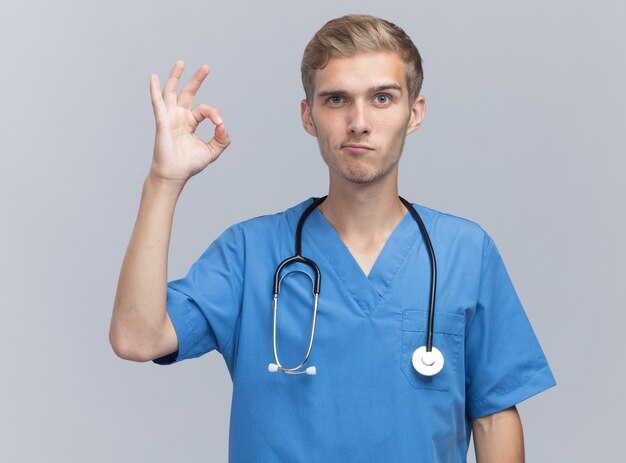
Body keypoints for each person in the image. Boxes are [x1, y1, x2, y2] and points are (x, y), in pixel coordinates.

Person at [110, 14, 556, 463]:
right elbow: (137, 339)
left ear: (414, 113)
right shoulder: (251, 253)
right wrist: (163, 181)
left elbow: (494, 416)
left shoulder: (465, 253)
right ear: (309, 116)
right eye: (337, 99)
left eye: (382, 98)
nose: (358, 122)